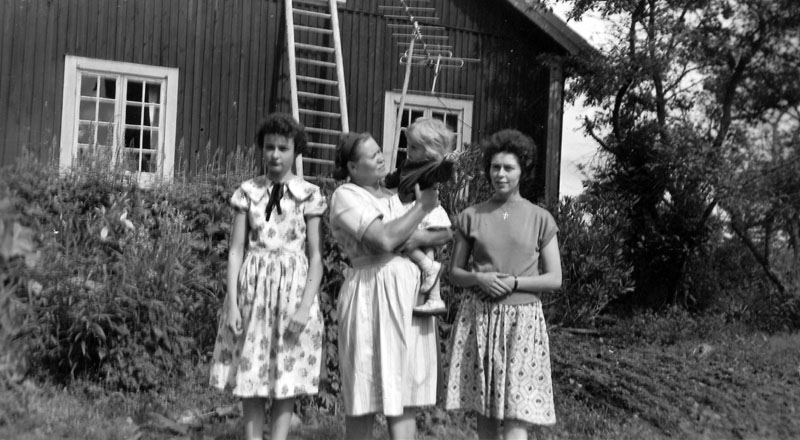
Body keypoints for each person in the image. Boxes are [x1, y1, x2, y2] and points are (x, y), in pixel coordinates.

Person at [209, 113, 327, 440]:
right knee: (252, 373)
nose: (275, 154)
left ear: (295, 151)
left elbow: (316, 257)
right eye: (269, 147)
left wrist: (304, 308)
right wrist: (233, 304)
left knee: (286, 374)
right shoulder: (248, 192)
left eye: (283, 148)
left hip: (293, 294)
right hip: (254, 292)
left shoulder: (309, 194)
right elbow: (236, 250)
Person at [329, 132, 452, 439]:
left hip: (409, 296)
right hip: (370, 293)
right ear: (353, 167)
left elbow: (444, 232)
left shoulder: (397, 195)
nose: (381, 158)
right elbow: (383, 239)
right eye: (372, 156)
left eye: (379, 151)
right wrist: (421, 209)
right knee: (364, 391)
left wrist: (412, 235)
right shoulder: (347, 196)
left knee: (405, 395)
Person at [444, 129, 562, 440]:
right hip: (480, 318)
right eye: (495, 167)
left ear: (523, 170)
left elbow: (554, 278)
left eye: (509, 168)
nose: (500, 174)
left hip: (522, 322)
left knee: (516, 413)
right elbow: (454, 272)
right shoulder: (471, 216)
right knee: (485, 410)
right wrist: (478, 278)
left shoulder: (540, 218)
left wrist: (515, 282)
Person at [384, 118, 457, 315]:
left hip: (423, 209)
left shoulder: (430, 167)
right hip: (410, 209)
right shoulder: (409, 164)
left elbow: (441, 173)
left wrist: (447, 164)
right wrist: (385, 182)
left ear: (429, 151)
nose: (408, 150)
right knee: (425, 247)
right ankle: (435, 297)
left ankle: (429, 273)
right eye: (408, 145)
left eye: (414, 147)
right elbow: (396, 177)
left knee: (410, 242)